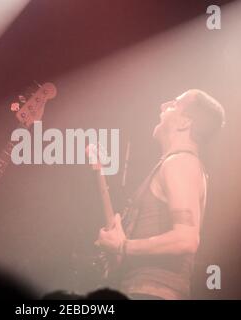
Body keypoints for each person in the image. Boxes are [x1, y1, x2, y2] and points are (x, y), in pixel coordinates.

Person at [96, 89, 225, 299]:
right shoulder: (176, 163)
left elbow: (186, 239)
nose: (163, 106)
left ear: (185, 122)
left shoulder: (180, 162)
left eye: (174, 104)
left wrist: (123, 246)